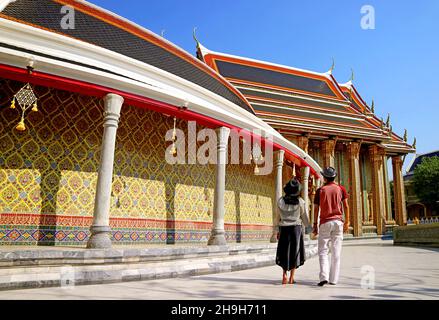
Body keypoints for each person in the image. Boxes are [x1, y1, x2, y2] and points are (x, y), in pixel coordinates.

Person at [313, 166, 350, 286]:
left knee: (323, 251)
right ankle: (333, 279)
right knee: (336, 252)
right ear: (334, 177)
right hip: (338, 222)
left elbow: (316, 209)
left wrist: (315, 224)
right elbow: (346, 206)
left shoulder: (320, 190)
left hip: (325, 222)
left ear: (324, 177)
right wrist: (347, 221)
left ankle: (324, 276)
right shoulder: (341, 189)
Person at [275, 178, 311, 285]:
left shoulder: (280, 201)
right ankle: (292, 277)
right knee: (295, 252)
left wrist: (276, 230)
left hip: (284, 228)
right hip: (296, 229)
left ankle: (284, 275)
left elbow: (277, 217)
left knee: (284, 251)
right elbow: (304, 217)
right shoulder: (301, 202)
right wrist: (309, 229)